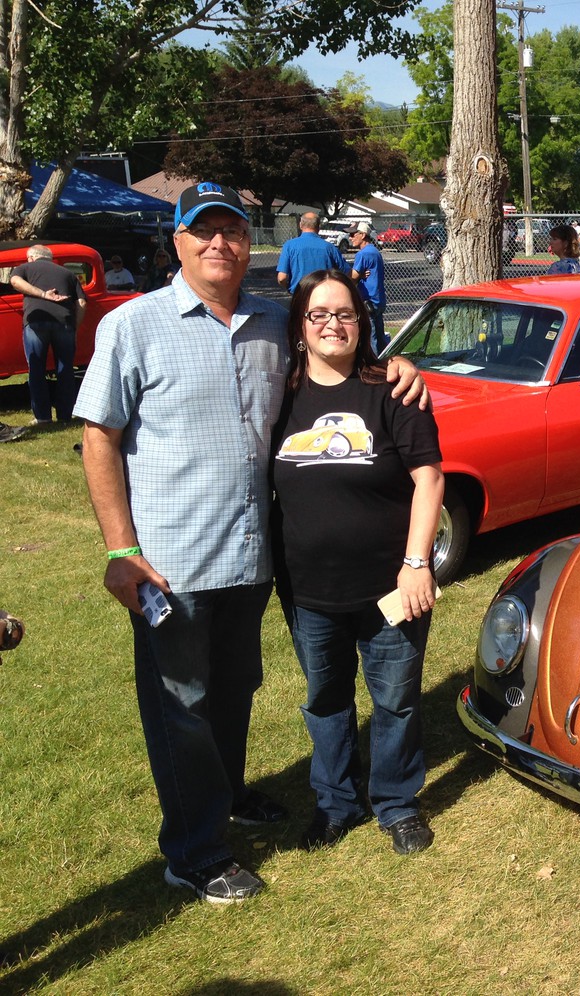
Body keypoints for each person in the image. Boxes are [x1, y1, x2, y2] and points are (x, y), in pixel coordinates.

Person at [72, 181, 427, 904]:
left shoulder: (272, 322)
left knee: (234, 693)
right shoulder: (134, 326)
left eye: (232, 230)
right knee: (182, 705)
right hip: (170, 565)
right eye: (203, 232)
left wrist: (396, 365)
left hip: (252, 560)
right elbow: (98, 437)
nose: (220, 244)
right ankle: (195, 853)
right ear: (177, 241)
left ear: (247, 240)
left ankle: (227, 795)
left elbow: (336, 361)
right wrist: (118, 550)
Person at [273, 269, 443, 856]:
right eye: (319, 314)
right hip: (307, 588)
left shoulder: (392, 390)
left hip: (388, 587)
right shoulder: (280, 395)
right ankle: (335, 803)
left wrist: (417, 562)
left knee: (394, 698)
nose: (333, 325)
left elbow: (429, 479)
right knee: (326, 698)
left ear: (362, 321)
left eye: (345, 313)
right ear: (301, 327)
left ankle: (396, 803)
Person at [10, 243, 87, 425]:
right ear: (50, 258)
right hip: (65, 323)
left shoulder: (25, 267)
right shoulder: (68, 274)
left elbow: (15, 282)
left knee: (36, 369)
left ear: (31, 257)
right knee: (65, 369)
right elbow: (82, 303)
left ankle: (43, 417)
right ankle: (65, 416)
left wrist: (43, 294)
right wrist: (75, 325)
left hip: (36, 323)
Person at [276, 211, 347, 293]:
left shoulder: (289, 246)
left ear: (300, 225)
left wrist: (290, 288)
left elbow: (282, 278)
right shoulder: (330, 247)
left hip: (300, 294)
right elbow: (346, 273)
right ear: (318, 227)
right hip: (324, 294)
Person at [349, 222, 388, 353]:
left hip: (368, 301)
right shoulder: (375, 251)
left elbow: (352, 277)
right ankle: (384, 365)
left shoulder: (363, 254)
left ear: (363, 235)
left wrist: (358, 276)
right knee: (380, 337)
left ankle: (374, 369)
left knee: (371, 341)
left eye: (353, 234)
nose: (350, 237)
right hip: (378, 300)